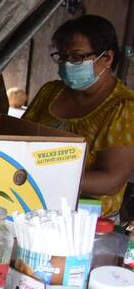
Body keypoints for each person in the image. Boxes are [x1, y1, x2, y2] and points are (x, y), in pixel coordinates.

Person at [24, 14, 134, 216]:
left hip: (84, 220)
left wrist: (48, 174)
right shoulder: (50, 93)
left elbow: (111, 180)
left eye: (76, 57)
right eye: (63, 57)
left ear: (107, 58)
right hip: (32, 202)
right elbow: (18, 139)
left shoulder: (124, 108)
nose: (66, 64)